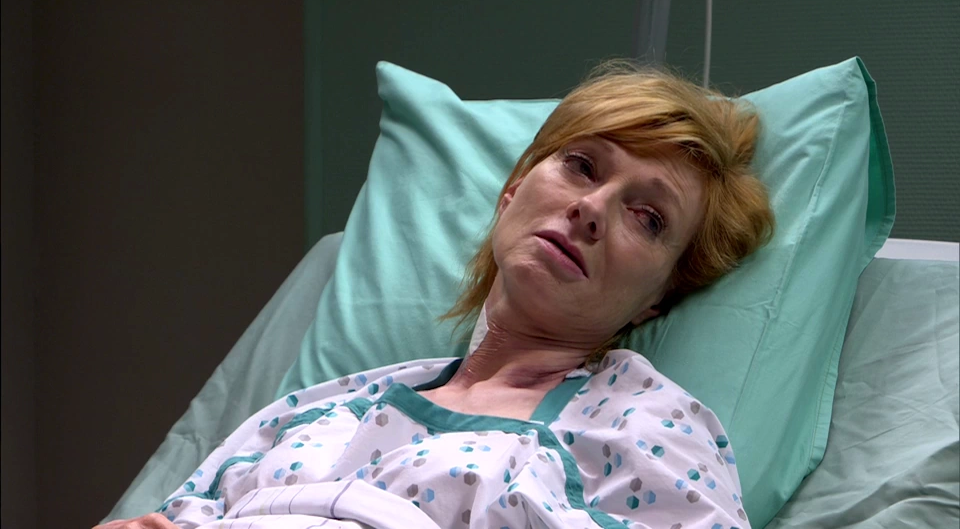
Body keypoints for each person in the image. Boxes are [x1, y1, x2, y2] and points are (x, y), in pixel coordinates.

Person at [97, 61, 774, 529]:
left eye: (647, 218)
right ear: (514, 191)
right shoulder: (319, 410)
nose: (592, 209)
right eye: (581, 165)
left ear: (659, 296)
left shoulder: (643, 428)